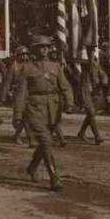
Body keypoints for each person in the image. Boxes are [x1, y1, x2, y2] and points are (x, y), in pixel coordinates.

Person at [13, 35, 74, 191]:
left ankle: (32, 167)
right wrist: (18, 115)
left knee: (44, 143)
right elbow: (21, 94)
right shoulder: (26, 69)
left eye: (46, 46)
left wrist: (69, 102)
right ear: (34, 49)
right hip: (34, 109)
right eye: (40, 47)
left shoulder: (56, 67)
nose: (44, 49)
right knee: (46, 141)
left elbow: (65, 86)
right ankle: (54, 177)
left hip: (53, 109)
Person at [75, 44, 107, 145]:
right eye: (91, 50)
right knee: (91, 112)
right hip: (85, 89)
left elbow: (100, 71)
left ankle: (81, 133)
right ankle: (97, 136)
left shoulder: (96, 61)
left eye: (94, 50)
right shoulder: (83, 61)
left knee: (91, 113)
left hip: (95, 90)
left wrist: (104, 78)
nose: (93, 52)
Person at [3, 46, 34, 147]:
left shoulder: (31, 66)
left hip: (29, 94)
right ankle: (22, 137)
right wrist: (4, 95)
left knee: (28, 117)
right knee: (18, 118)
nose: (24, 56)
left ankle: (27, 138)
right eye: (22, 55)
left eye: (26, 54)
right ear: (18, 56)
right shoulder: (14, 66)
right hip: (18, 94)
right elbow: (7, 82)